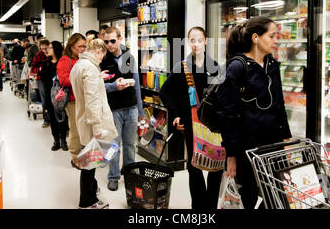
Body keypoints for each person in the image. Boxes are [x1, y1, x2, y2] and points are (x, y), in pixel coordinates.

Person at [215, 17, 292, 209]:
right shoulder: (237, 67)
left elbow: (279, 104)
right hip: (245, 147)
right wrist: (230, 154)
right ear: (256, 38)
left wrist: (286, 139)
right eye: (272, 36)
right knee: (246, 196)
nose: (276, 40)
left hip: (272, 143)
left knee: (277, 194)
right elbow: (227, 114)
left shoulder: (272, 65)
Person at [159, 27, 223, 210]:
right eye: (192, 40)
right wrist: (176, 114)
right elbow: (165, 92)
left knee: (216, 166)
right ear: (188, 42)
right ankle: (199, 207)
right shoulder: (182, 67)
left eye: (199, 40)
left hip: (213, 125)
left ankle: (210, 206)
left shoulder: (215, 67)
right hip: (190, 124)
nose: (196, 44)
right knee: (195, 167)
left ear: (206, 41)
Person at [70, 35, 118, 209]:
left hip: (84, 120)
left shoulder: (80, 65)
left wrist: (99, 78)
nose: (102, 59)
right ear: (99, 51)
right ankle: (87, 201)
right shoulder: (90, 69)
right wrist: (98, 128)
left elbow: (84, 89)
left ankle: (90, 195)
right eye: (102, 56)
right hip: (93, 124)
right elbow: (91, 100)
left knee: (90, 162)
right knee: (90, 165)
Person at [100, 26, 144, 191]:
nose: (110, 45)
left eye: (112, 41)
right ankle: (113, 176)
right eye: (106, 42)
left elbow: (137, 85)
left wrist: (140, 111)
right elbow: (99, 86)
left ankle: (130, 174)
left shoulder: (129, 58)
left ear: (119, 39)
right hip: (114, 109)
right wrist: (113, 87)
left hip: (131, 107)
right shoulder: (103, 60)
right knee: (113, 145)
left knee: (130, 145)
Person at [57, 33, 87, 169]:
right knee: (75, 130)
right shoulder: (65, 60)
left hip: (85, 100)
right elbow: (63, 80)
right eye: (79, 46)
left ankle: (85, 155)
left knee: (85, 130)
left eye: (84, 46)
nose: (82, 49)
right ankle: (75, 158)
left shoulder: (83, 59)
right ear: (72, 46)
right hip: (73, 101)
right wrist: (82, 80)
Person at [40, 41, 69, 151]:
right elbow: (42, 79)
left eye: (51, 48)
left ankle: (63, 140)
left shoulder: (63, 62)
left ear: (56, 49)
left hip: (62, 94)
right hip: (50, 94)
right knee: (52, 118)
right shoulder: (46, 63)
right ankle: (56, 140)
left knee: (63, 117)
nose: (48, 50)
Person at [31, 39, 50, 128]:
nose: (44, 51)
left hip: (52, 79)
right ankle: (46, 120)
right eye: (42, 49)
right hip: (41, 80)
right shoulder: (38, 56)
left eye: (46, 48)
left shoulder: (52, 55)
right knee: (44, 100)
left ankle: (52, 119)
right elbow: (33, 69)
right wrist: (40, 69)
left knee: (53, 100)